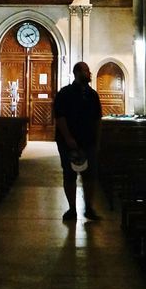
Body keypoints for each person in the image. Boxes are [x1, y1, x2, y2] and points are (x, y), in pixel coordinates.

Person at [54, 61, 102, 221]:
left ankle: (88, 207)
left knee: (90, 175)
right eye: (86, 71)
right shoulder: (65, 93)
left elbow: (97, 119)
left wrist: (97, 141)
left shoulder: (93, 95)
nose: (89, 73)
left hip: (88, 141)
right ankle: (72, 209)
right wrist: (68, 138)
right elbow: (60, 117)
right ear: (77, 73)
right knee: (69, 175)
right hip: (69, 143)